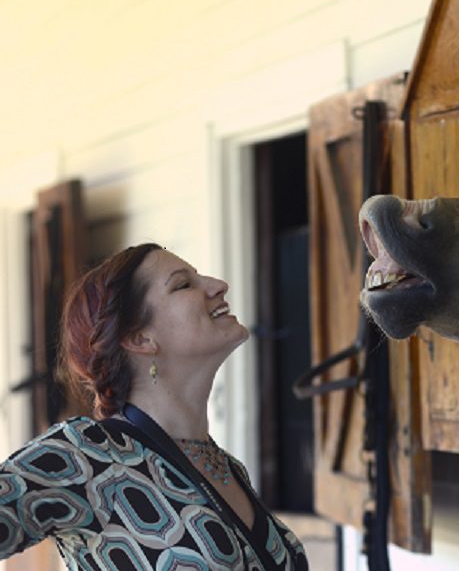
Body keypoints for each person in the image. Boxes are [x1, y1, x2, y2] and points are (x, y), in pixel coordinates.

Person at [0, 243, 308, 570]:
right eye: (184, 284)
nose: (218, 285)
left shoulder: (229, 467)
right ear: (139, 339)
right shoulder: (85, 454)